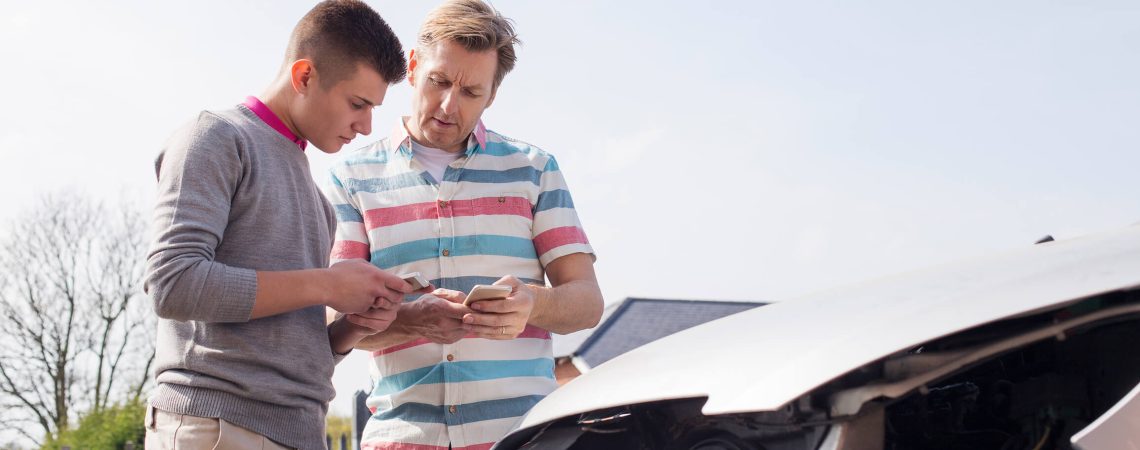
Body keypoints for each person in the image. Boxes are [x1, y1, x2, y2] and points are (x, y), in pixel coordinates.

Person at [323, 1, 604, 448]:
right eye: (437, 81)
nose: (449, 106)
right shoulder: (351, 177)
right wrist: (413, 321)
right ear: (413, 67)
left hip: (520, 437)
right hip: (401, 438)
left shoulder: (535, 169)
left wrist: (532, 304)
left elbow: (587, 303)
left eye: (471, 92)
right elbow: (335, 322)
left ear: (492, 95)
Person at [143, 2, 415, 449]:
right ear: (305, 75)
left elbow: (290, 347)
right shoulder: (215, 136)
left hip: (301, 432)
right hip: (215, 426)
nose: (366, 126)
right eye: (358, 103)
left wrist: (353, 326)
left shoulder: (317, 199)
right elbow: (173, 284)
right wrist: (327, 286)